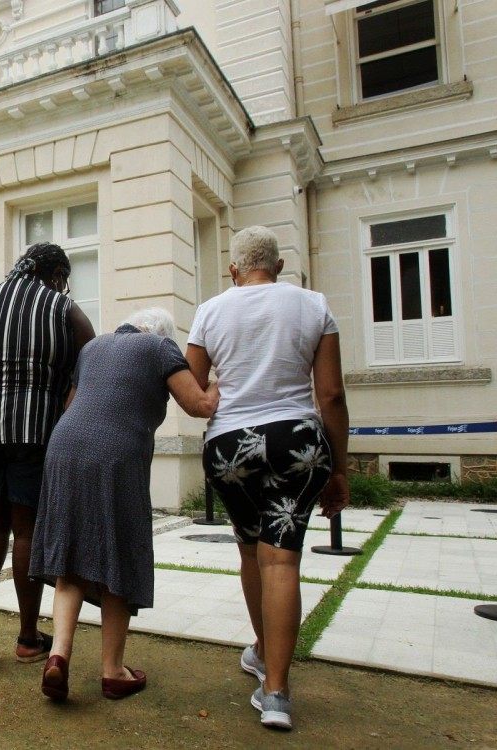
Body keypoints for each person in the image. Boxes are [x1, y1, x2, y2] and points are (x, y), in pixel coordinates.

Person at [186, 226, 350, 731]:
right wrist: (340, 468)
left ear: (233, 270)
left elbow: (193, 388)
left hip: (231, 445)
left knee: (251, 550)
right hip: (295, 442)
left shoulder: (212, 309)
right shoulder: (313, 304)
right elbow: (331, 397)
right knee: (283, 558)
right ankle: (275, 689)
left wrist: (217, 392)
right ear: (279, 267)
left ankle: (262, 652)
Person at [31, 309, 218, 702]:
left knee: (70, 555)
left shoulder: (95, 346)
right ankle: (113, 671)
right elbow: (199, 404)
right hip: (116, 456)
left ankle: (58, 656)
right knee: (116, 555)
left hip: (64, 448)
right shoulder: (161, 347)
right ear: (164, 333)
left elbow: (73, 405)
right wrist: (226, 381)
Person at [0, 242, 95, 663]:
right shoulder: (63, 309)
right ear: (56, 274)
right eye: (64, 280)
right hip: (36, 433)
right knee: (28, 531)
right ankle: (28, 637)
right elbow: (89, 368)